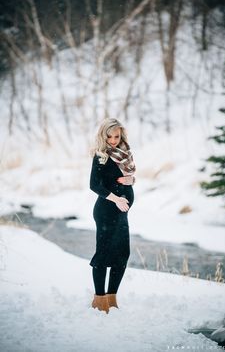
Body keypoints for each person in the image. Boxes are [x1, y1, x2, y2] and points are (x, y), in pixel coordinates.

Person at [89, 118, 136, 314]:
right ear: (103, 135)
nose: (114, 140)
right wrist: (116, 199)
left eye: (117, 136)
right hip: (106, 211)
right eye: (110, 136)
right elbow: (94, 185)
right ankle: (99, 300)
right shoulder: (101, 156)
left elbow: (125, 179)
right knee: (103, 254)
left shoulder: (125, 154)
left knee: (122, 255)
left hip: (121, 212)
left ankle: (111, 297)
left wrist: (131, 179)